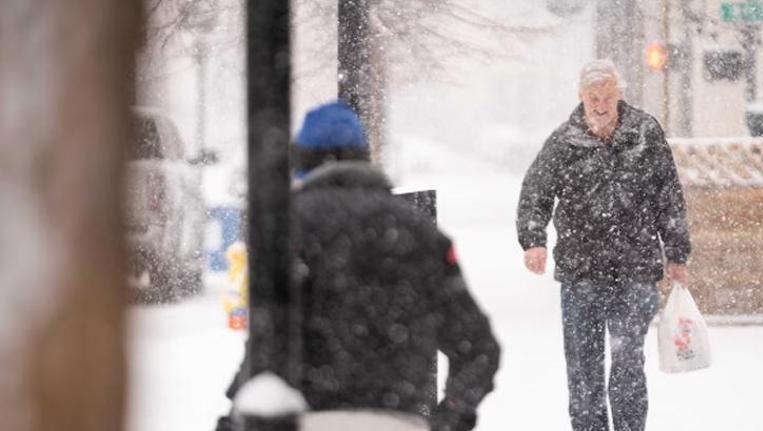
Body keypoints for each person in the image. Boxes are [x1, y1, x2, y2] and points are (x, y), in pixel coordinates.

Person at [221, 101, 500, 431]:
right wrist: (452, 416)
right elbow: (477, 346)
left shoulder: (285, 228)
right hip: (398, 420)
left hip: (306, 420)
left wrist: (234, 412)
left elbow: (270, 338)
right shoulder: (419, 232)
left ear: (300, 158)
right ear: (365, 155)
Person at [516, 60, 691, 431]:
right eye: (592, 97)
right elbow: (535, 193)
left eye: (607, 97)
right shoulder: (564, 141)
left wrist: (676, 253)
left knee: (627, 362)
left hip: (636, 270)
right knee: (583, 369)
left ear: (619, 95)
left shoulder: (644, 133)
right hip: (582, 273)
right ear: (580, 97)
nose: (599, 105)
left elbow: (668, 196)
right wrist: (534, 241)